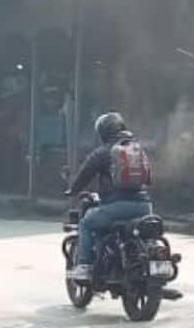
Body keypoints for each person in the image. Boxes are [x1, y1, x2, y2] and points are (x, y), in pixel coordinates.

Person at [65, 112, 153, 283]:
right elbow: (148, 178)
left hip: (116, 208)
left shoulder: (103, 152)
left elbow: (85, 174)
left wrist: (73, 190)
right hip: (144, 207)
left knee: (86, 223)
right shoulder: (138, 149)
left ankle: (84, 266)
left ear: (103, 133)